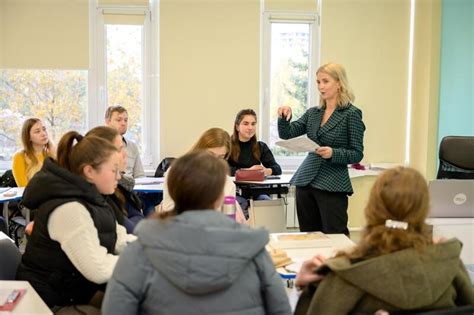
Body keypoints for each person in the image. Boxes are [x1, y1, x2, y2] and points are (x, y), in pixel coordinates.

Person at [102, 151, 292, 315]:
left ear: (173, 192)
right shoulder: (254, 251)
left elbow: (116, 309)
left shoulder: (140, 250)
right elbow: (281, 309)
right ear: (219, 197)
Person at [293, 167, 474, 315]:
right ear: (423, 212)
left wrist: (305, 289)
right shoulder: (449, 265)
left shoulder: (342, 274)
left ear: (371, 210)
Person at [16, 131, 136, 313]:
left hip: (72, 290)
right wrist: (142, 262)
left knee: (132, 302)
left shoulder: (95, 199)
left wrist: (151, 248)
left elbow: (118, 239)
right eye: (113, 170)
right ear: (89, 171)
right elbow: (98, 269)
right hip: (46, 302)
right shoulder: (69, 209)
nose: (119, 177)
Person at [277, 63, 365, 234]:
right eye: (318, 82)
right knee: (309, 237)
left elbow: (357, 153)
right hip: (305, 182)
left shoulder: (351, 114)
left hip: (332, 183)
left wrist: (333, 153)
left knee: (335, 235)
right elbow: (287, 134)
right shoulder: (313, 113)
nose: (321, 86)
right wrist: (284, 117)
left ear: (339, 83)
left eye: (325, 81)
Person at [160, 127, 246, 223]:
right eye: (210, 155)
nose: (214, 161)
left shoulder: (227, 183)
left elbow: (228, 219)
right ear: (200, 150)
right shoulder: (177, 172)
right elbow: (168, 208)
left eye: (221, 157)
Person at [86, 126, 145, 233]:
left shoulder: (119, 186)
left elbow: (138, 217)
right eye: (119, 149)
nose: (125, 154)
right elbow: (133, 230)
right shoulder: (98, 192)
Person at [228, 109, 282, 213]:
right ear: (237, 127)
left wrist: (265, 171)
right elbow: (224, 169)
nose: (250, 128)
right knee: (240, 205)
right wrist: (249, 171)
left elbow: (277, 169)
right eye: (246, 123)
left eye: (253, 124)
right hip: (235, 192)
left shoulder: (260, 147)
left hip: (257, 191)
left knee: (267, 203)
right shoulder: (228, 146)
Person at [12, 118, 55, 187]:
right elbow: (24, 189)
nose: (43, 134)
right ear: (28, 137)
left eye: (44, 129)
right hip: (34, 196)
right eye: (37, 131)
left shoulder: (53, 154)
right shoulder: (19, 157)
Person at [105, 105, 145, 178]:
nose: (123, 123)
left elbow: (140, 176)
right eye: (119, 120)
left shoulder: (132, 147)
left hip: (132, 187)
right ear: (108, 122)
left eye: (125, 120)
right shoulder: (99, 145)